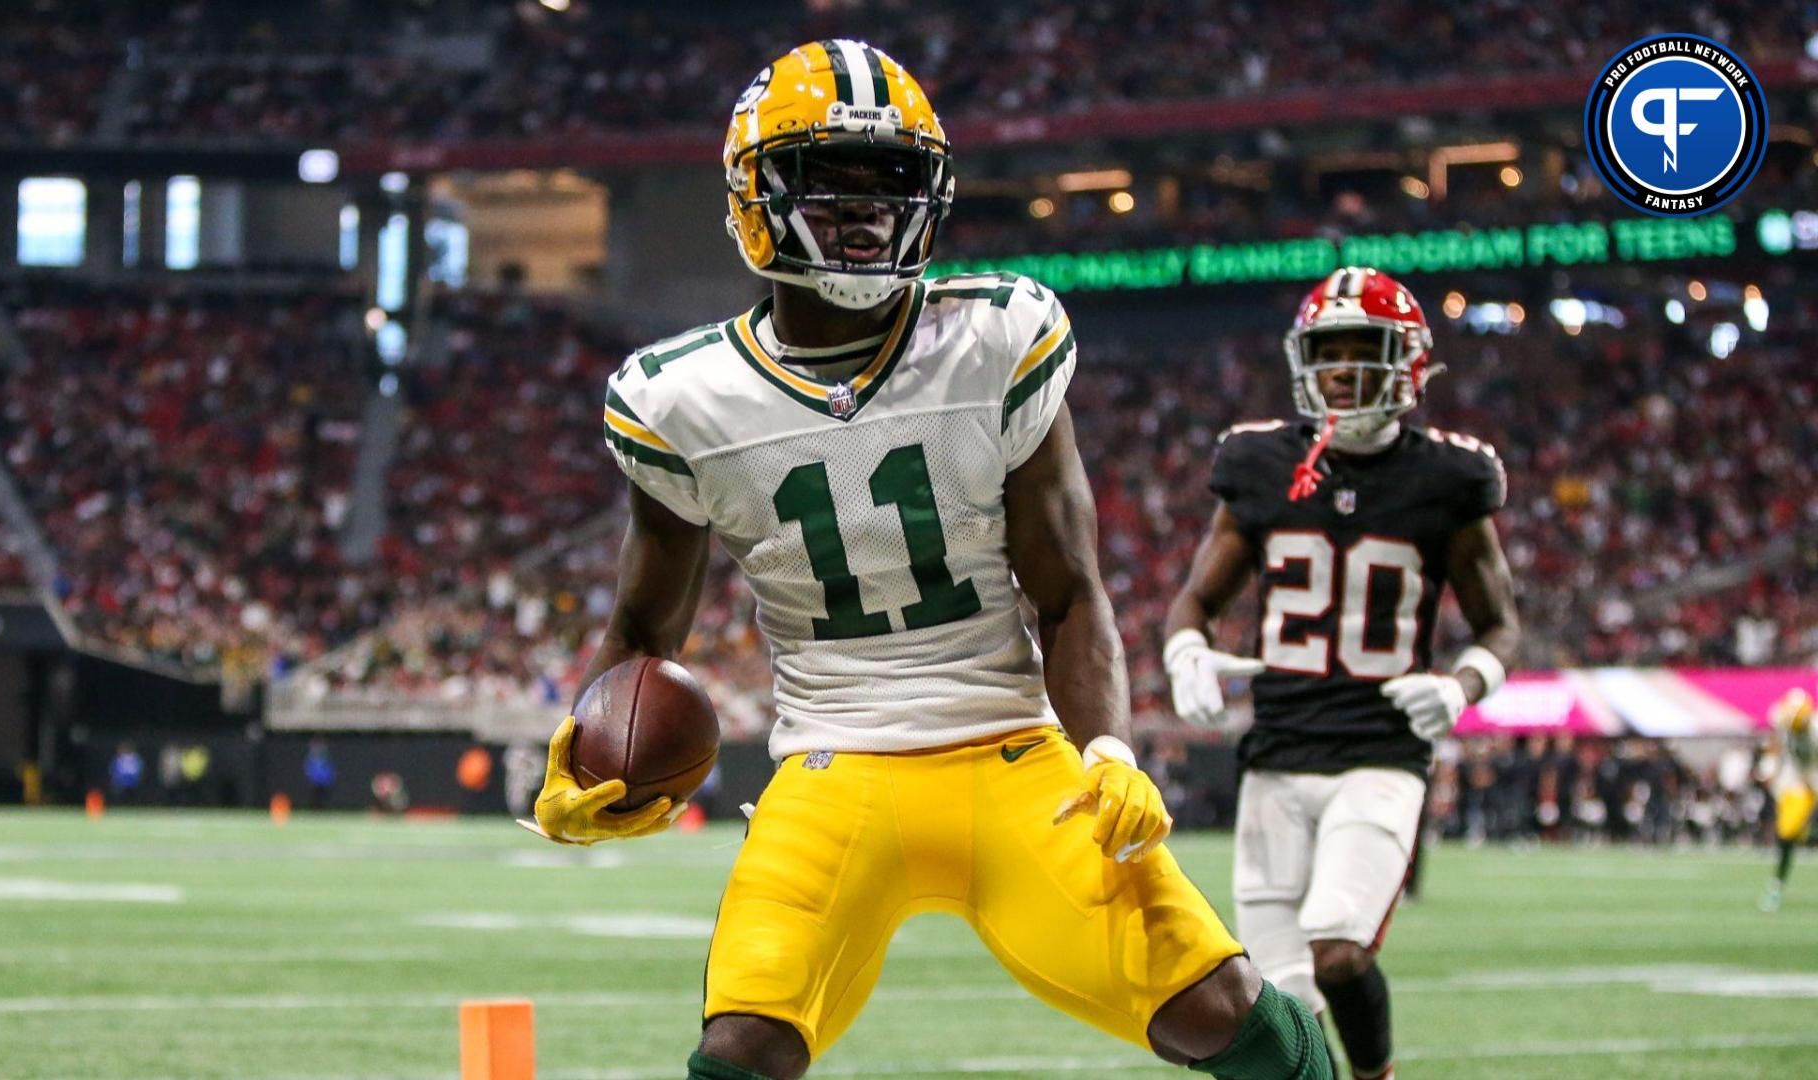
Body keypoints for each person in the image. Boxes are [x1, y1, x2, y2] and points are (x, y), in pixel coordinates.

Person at [523, 40, 1330, 1080]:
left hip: (1011, 754)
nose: (865, 208)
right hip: (834, 766)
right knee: (741, 1049)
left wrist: (1110, 749)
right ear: (754, 197)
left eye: (891, 179)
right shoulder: (680, 398)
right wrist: (592, 749)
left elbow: (1069, 589)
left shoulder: (997, 335)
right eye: (829, 178)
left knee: (1222, 1012)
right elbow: (645, 630)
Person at [1162, 267, 1521, 1080]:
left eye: (1369, 351)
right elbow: (1193, 600)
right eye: (1331, 353)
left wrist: (1460, 685)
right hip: (1277, 756)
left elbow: (1500, 622)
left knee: (1338, 947)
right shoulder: (1258, 463)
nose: (1346, 372)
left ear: (1413, 364)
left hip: (1380, 753)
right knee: (1279, 999)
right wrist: (1185, 650)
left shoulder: (1448, 478)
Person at [1756, 687, 1816, 912]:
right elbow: (1776, 742)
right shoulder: (1783, 721)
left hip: (1811, 781)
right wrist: (1769, 768)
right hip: (1792, 782)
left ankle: (1776, 886)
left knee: (1789, 832)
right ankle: (1777, 886)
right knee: (1787, 834)